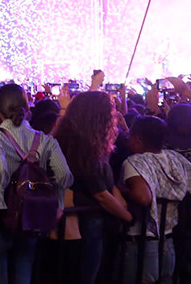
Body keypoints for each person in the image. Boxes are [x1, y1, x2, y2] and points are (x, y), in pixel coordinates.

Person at [0, 83, 73, 284]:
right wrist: (59, 205)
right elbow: (64, 175)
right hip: (33, 212)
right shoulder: (45, 140)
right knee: (24, 268)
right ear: (28, 108)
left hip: (2, 216)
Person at [121, 116, 191, 284]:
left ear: (137, 139)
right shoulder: (174, 159)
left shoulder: (135, 162)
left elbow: (142, 197)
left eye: (130, 135)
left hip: (142, 241)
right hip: (168, 240)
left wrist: (120, 191)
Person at [51, 91, 132, 284]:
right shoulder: (87, 149)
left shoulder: (65, 139)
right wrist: (128, 216)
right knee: (86, 276)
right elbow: (101, 195)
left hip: (72, 226)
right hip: (87, 226)